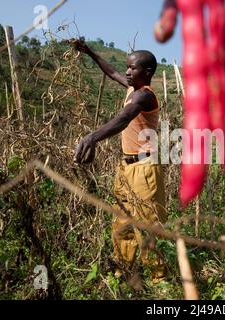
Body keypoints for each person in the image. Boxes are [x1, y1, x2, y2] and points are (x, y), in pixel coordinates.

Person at [72, 40, 168, 283]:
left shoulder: (145, 96)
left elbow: (124, 119)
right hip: (126, 167)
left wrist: (93, 137)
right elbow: (110, 71)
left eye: (132, 68)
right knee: (122, 224)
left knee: (147, 226)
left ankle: (160, 282)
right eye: (127, 67)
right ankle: (123, 273)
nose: (126, 72)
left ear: (146, 73)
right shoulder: (131, 87)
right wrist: (90, 52)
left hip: (145, 169)